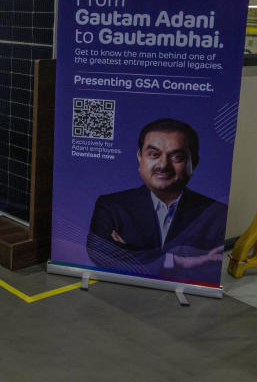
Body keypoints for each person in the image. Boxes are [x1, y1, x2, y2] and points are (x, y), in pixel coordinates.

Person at [86, 118, 227, 282]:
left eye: (177, 157)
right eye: (154, 154)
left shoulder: (217, 214)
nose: (163, 165)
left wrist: (130, 253)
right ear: (140, 157)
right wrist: (176, 260)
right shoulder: (111, 206)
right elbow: (100, 253)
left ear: (193, 162)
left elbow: (210, 272)